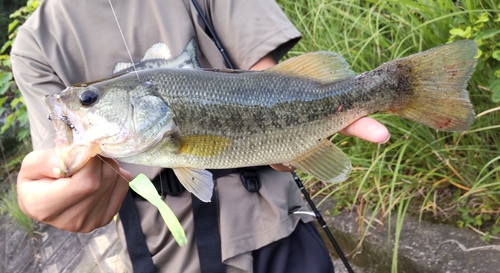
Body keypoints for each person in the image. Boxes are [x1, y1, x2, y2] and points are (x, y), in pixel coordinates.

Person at [12, 0, 390, 272]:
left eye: (89, 100)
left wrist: (295, 131)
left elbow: (266, 77)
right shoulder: (34, 45)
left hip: (275, 226)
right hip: (166, 255)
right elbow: (60, 161)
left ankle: (398, 86)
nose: (73, 106)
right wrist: (46, 196)